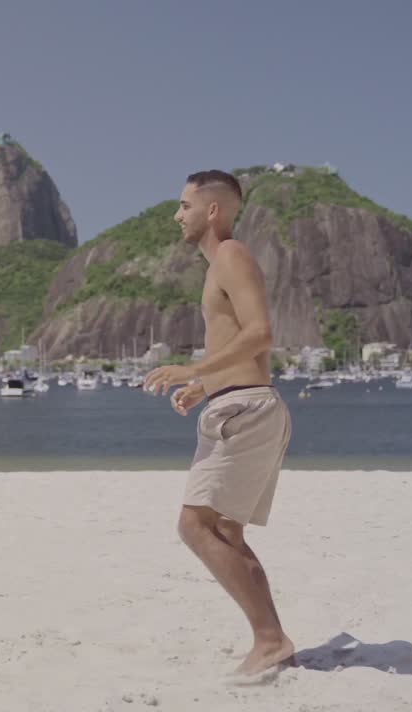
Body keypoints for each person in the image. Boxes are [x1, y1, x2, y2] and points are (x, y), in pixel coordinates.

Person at [142, 170, 294, 679]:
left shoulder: (231, 254)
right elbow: (239, 341)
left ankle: (271, 640)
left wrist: (194, 369)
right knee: (226, 531)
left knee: (195, 525)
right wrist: (204, 387)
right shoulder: (217, 266)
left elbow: (260, 334)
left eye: (185, 205)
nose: (176, 215)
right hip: (238, 404)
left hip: (245, 411)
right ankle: (271, 641)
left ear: (213, 210)